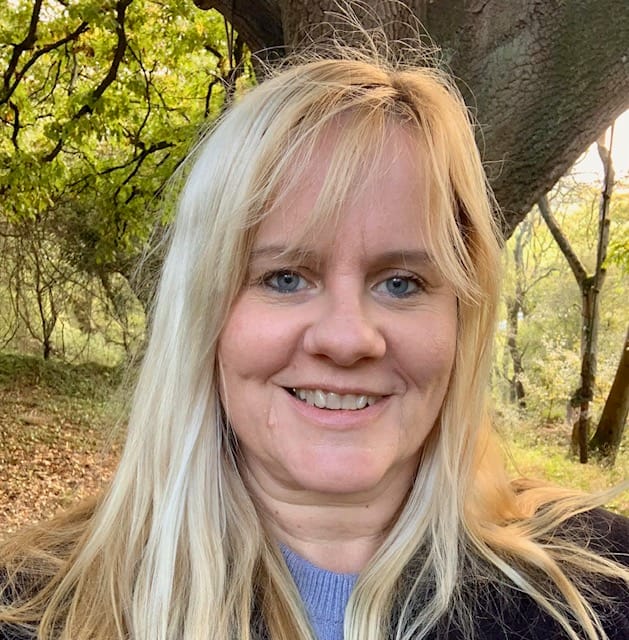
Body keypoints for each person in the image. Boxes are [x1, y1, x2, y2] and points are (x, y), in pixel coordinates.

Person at [1, 45, 628, 640]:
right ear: (203, 314)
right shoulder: (34, 608)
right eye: (284, 278)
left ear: (462, 318)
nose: (347, 338)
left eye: (401, 283)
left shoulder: (604, 595)